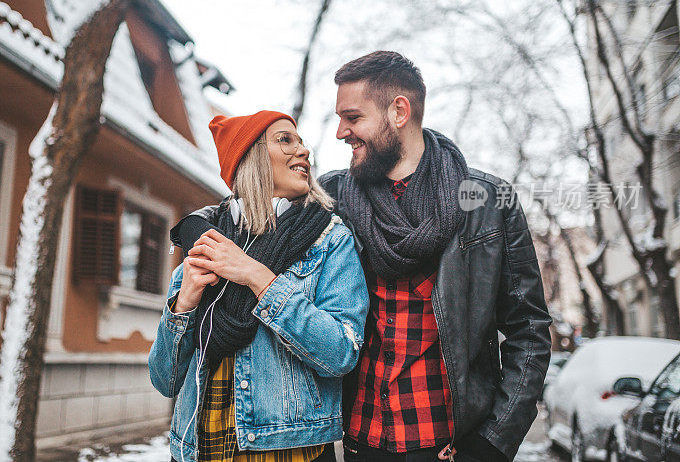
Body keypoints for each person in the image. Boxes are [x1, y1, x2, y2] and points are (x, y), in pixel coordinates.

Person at [318, 51, 551, 462]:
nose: (341, 132)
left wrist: (494, 442)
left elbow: (528, 330)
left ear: (398, 111)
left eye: (352, 118)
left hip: (451, 446)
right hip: (360, 440)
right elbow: (259, 217)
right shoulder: (332, 197)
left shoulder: (488, 203)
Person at [148, 110, 370, 462]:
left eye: (301, 142)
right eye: (286, 140)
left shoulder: (329, 240)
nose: (303, 151)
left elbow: (341, 352)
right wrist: (184, 303)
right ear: (248, 157)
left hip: (292, 450)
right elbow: (165, 380)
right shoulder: (205, 243)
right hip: (199, 449)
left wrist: (258, 276)